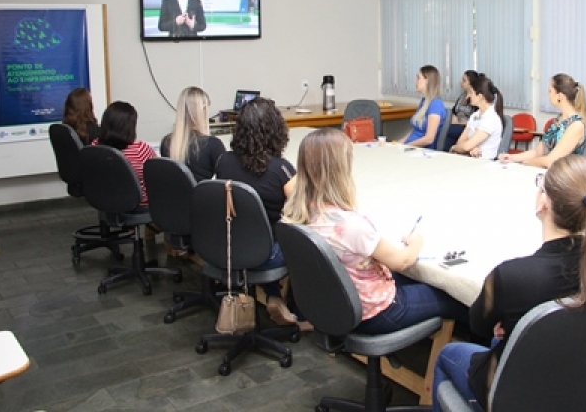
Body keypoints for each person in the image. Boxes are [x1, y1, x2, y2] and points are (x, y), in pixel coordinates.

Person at [431, 155, 586, 411]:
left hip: (517, 398)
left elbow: (478, 325)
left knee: (447, 356)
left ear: (543, 203)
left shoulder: (511, 276)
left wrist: (510, 321)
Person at [284, 128, 468, 335]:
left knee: (414, 280)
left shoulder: (298, 210)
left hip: (337, 303)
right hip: (375, 311)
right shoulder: (352, 226)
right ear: (341, 170)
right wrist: (416, 242)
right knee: (451, 295)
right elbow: (402, 261)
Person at [214, 97, 301, 327]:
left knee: (256, 234)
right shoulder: (280, 170)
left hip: (226, 247)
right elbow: (305, 210)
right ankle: (303, 315)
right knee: (303, 240)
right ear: (276, 130)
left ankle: (273, 295)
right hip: (265, 256)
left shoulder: (223, 161)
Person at [498, 73, 586, 168]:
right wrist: (511, 158)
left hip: (565, 177)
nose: (548, 94)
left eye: (550, 91)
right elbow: (537, 151)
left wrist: (526, 162)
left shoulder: (576, 125)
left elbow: (551, 161)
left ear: (560, 96)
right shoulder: (558, 120)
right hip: (550, 173)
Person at [94, 101, 156, 207]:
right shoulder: (140, 150)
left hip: (104, 199)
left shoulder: (94, 147)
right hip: (139, 203)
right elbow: (156, 175)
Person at [160, 86, 225, 182]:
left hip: (175, 196)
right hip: (202, 196)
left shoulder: (166, 142)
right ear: (203, 111)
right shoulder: (213, 144)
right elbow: (225, 181)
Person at [449, 73, 504, 160]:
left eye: (471, 92)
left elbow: (465, 146)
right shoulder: (475, 115)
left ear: (480, 96)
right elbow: (460, 142)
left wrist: (454, 148)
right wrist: (470, 147)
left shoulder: (491, 118)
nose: (468, 96)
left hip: (484, 164)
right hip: (469, 160)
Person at [402, 65, 447, 148]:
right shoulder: (424, 101)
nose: (416, 81)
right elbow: (415, 130)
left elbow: (429, 138)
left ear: (427, 81)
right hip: (410, 147)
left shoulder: (435, 104)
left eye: (418, 78)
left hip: (421, 150)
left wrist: (407, 146)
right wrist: (399, 144)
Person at [442, 70, 478, 152]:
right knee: (443, 128)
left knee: (449, 130)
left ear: (471, 83)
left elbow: (476, 120)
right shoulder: (462, 95)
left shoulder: (476, 98)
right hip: (456, 124)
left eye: (464, 80)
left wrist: (458, 123)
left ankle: (446, 152)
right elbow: (454, 111)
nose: (461, 82)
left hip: (466, 127)